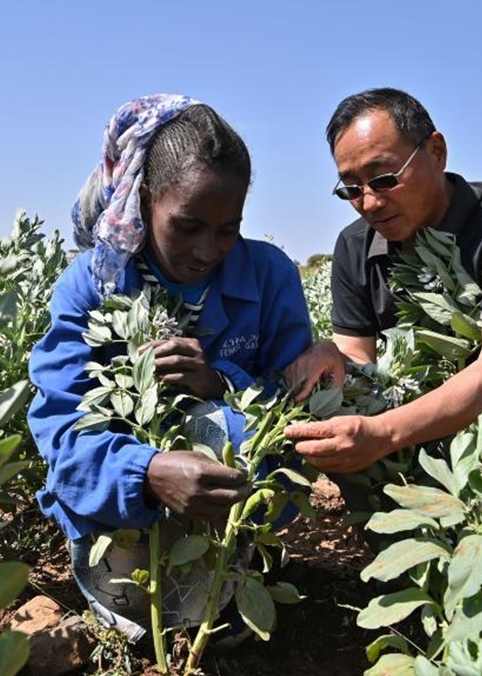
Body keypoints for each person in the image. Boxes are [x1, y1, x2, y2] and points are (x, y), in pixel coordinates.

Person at [27, 94, 313, 642]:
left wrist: (222, 383)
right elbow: (61, 435)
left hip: (235, 516)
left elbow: (297, 418)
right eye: (188, 225)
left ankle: (235, 581)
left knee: (215, 422)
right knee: (136, 620)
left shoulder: (270, 275)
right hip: (124, 516)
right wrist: (149, 472)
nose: (209, 250)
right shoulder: (92, 285)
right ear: (147, 198)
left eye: (228, 229)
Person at [283, 87, 482, 475]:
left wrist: (382, 433)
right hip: (414, 438)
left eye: (383, 179)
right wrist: (332, 354)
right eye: (351, 188)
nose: (369, 202)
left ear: (436, 151)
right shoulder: (354, 246)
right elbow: (359, 359)